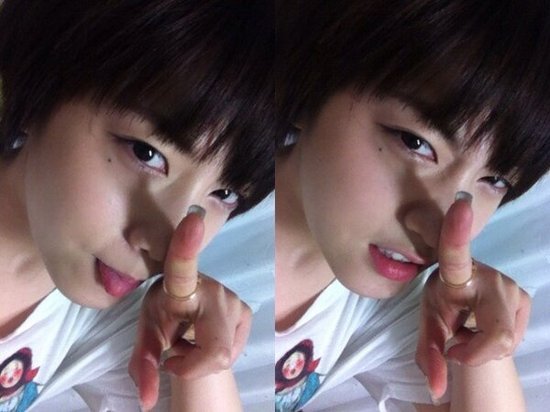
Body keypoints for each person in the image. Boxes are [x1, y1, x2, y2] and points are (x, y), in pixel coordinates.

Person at [275, 0, 549, 411]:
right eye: (416, 143)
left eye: (495, 181)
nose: (440, 228)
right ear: (307, 85)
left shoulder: (392, 310)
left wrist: (482, 353)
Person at [0, 0, 274, 411]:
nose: (166, 242)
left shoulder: (113, 326)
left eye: (225, 195)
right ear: (38, 85)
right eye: (147, 153)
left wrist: (202, 357)